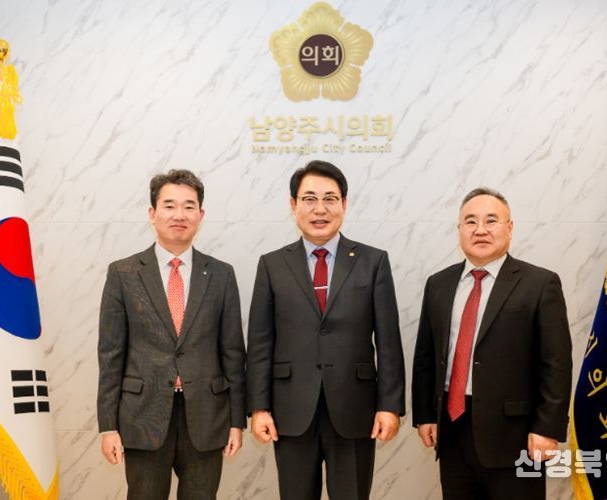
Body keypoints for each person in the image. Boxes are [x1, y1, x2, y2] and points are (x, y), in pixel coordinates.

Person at [246, 160, 406, 500]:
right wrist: (258, 408)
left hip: (355, 408)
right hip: (290, 410)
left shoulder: (373, 261)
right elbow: (260, 342)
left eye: (330, 199)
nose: (320, 209)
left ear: (344, 204)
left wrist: (389, 405)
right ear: (293, 205)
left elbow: (389, 341)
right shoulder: (272, 265)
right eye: (309, 199)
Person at [412, 187, 572, 500]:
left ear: (509, 227)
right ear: (459, 229)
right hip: (452, 428)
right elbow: (426, 356)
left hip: (516, 435)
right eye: (471, 222)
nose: (480, 229)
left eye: (491, 220)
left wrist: (547, 428)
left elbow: (556, 363)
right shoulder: (439, 284)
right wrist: (425, 415)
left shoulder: (540, 283)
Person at [97, 169, 246, 500]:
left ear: (200, 215)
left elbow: (233, 352)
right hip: (143, 416)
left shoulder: (221, 274)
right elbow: (110, 355)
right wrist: (108, 426)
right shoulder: (123, 273)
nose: (179, 215)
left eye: (189, 206)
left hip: (206, 417)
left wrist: (237, 421)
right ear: (152, 213)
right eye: (169, 205)